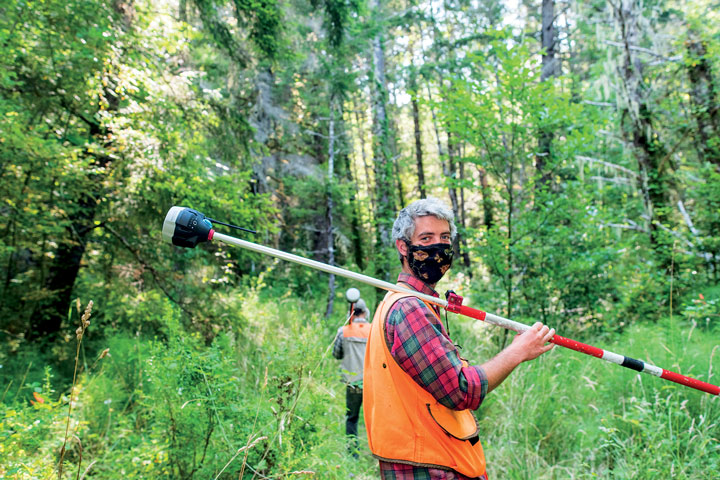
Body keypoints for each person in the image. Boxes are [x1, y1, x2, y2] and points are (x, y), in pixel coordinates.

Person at [363, 197, 556, 479]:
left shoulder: (415, 302)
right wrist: (518, 351)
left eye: (444, 237)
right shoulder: (408, 308)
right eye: (426, 238)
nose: (438, 247)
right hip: (430, 465)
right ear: (403, 247)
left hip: (430, 458)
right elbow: (460, 390)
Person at [332, 296, 371, 457]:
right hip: (371, 382)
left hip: (352, 383)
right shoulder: (373, 330)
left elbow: (336, 354)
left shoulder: (343, 331)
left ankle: (352, 453)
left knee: (352, 418)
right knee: (373, 418)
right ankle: (377, 452)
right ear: (365, 312)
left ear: (351, 313)